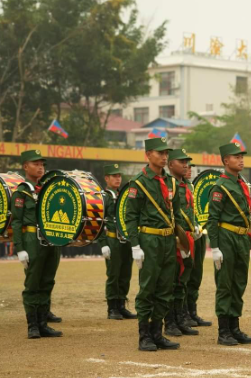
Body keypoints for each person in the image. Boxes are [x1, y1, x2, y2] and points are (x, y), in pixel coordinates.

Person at [125, 137, 181, 351]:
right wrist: (135, 245)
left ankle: (157, 333)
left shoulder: (171, 182)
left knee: (166, 288)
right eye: (160, 153)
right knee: (148, 288)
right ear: (148, 155)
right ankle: (144, 335)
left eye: (166, 153)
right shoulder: (138, 182)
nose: (164, 156)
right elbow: (131, 217)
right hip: (149, 240)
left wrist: (183, 240)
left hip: (168, 239)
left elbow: (175, 214)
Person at [205, 143, 251, 346]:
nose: (241, 160)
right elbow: (212, 219)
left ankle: (235, 327)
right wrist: (215, 247)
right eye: (236, 157)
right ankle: (223, 331)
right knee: (225, 284)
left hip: (241, 238)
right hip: (226, 237)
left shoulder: (241, 183)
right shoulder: (221, 186)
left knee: (239, 283)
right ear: (226, 161)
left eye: (242, 156)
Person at [11, 150, 63, 339]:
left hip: (51, 239)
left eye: (42, 164)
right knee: (33, 283)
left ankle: (43, 323)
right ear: (26, 166)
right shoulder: (21, 191)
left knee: (48, 281)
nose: (41, 167)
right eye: (36, 164)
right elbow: (16, 222)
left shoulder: (50, 190)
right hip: (32, 240)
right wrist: (20, 249)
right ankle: (32, 325)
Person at [163, 149, 200, 337]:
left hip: (187, 236)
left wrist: (195, 227)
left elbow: (190, 210)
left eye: (187, 161)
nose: (186, 164)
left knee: (184, 279)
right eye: (181, 161)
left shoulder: (188, 186)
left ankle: (180, 318)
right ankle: (169, 322)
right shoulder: (167, 185)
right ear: (170, 165)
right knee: (172, 279)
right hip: (174, 236)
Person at [98, 164, 136, 320]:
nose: (117, 179)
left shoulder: (124, 195)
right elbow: (99, 221)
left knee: (125, 273)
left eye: (119, 176)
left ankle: (121, 304)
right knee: (113, 274)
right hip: (112, 238)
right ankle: (112, 307)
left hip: (125, 239)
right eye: (114, 176)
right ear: (106, 178)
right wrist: (103, 243)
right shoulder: (104, 196)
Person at [185, 163, 211, 327]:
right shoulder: (175, 186)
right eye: (186, 166)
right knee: (184, 276)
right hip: (185, 235)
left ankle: (191, 311)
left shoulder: (193, 187)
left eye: (191, 167)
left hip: (199, 234)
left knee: (196, 274)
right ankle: (182, 313)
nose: (189, 170)